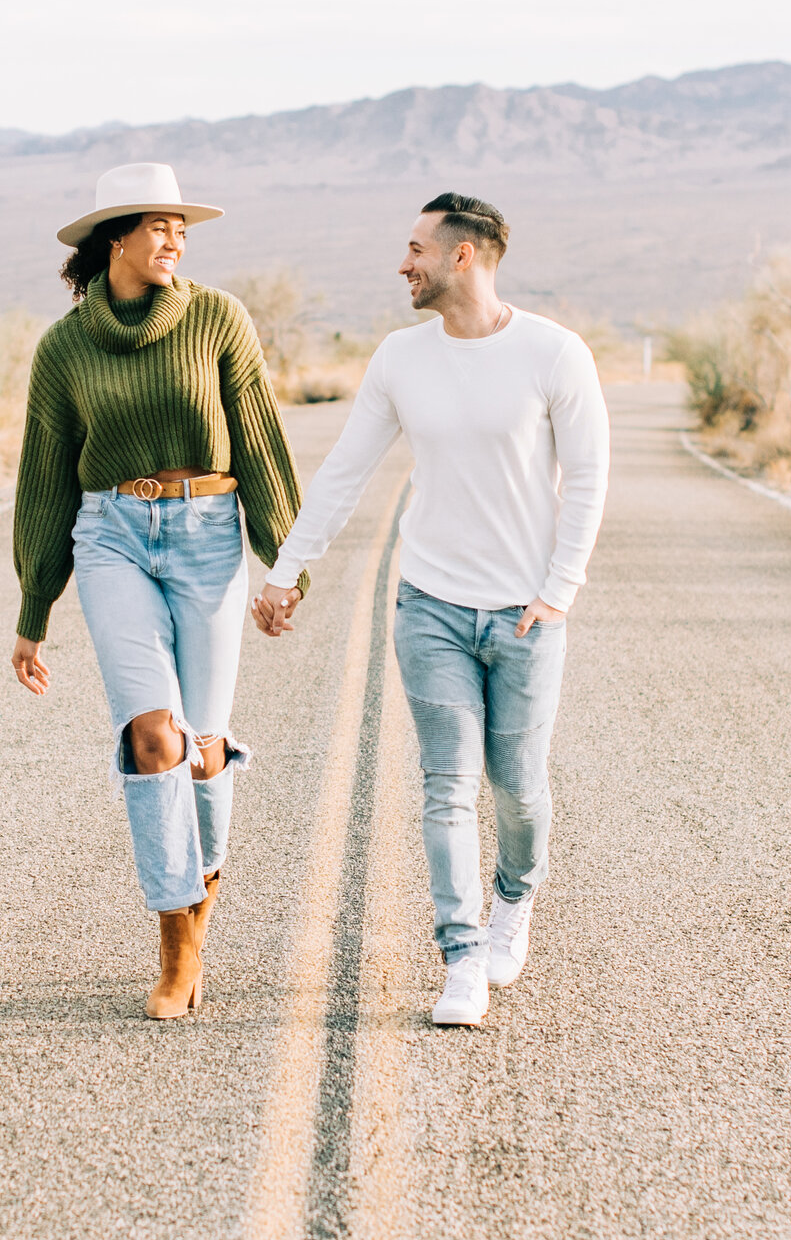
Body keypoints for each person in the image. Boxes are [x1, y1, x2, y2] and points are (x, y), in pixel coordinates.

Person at [252, 192, 608, 1027]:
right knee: (445, 785)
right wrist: (287, 569)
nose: (402, 263)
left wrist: (559, 590)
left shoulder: (555, 353)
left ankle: (514, 897)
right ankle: (460, 956)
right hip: (432, 608)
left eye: (415, 248)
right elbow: (345, 471)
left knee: (517, 787)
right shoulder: (399, 358)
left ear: (465, 256)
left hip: (526, 614)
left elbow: (589, 478)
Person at [9, 162, 307, 1020]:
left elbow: (257, 439)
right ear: (116, 237)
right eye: (161, 225)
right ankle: (177, 941)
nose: (177, 238)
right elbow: (44, 480)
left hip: (209, 531)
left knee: (204, 747)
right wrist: (34, 609)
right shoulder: (64, 348)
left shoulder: (218, 319)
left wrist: (283, 566)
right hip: (110, 534)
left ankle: (198, 892)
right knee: (154, 739)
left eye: (184, 226)